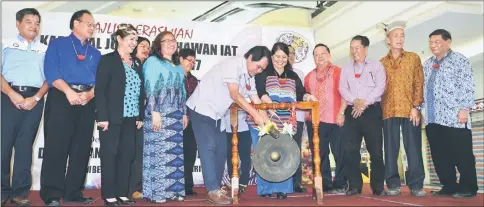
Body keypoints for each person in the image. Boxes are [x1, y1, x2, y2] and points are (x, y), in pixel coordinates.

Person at [186, 46, 271, 204]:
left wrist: (266, 119)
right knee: (209, 148)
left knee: (221, 150)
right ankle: (212, 191)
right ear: (250, 57)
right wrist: (255, 114)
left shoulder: (249, 75)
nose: (259, 70)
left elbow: (255, 99)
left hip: (218, 114)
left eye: (263, 69)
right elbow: (234, 94)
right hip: (202, 109)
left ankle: (216, 188)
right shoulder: (233, 64)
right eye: (258, 66)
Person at [40, 10, 101, 206]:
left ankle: (73, 192)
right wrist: (68, 92)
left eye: (94, 25)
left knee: (81, 148)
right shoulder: (58, 44)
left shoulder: (95, 52)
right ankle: (51, 194)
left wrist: (91, 94)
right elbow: (51, 71)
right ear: (76, 23)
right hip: (61, 96)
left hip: (87, 100)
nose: (92, 28)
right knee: (56, 146)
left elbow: (101, 80)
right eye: (88, 24)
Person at [251, 42, 315, 199]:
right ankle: (265, 189)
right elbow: (261, 92)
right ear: (272, 57)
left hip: (286, 121)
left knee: (284, 154)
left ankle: (283, 189)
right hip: (265, 119)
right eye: (277, 56)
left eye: (284, 57)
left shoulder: (293, 75)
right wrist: (270, 108)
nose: (280, 60)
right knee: (265, 154)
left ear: (289, 58)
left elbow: (301, 93)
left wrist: (309, 97)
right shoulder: (263, 72)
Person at [1, 8, 48, 206]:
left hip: (34, 100)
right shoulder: (5, 45)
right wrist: (12, 94)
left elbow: (50, 79)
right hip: (8, 96)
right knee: (3, 146)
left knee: (24, 147)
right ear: (18, 24)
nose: (33, 26)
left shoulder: (45, 49)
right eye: (29, 22)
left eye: (37, 22)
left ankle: (20, 193)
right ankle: (2, 192)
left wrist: (35, 98)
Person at [423, 29, 478, 198]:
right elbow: (422, 89)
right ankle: (448, 185)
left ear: (448, 42)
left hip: (454, 116)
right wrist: (418, 109)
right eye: (431, 42)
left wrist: (464, 108)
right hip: (432, 117)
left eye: (437, 42)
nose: (433, 45)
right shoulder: (427, 64)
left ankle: (468, 187)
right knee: (440, 155)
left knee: (461, 153)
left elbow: (468, 85)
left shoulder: (459, 60)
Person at [95, 23, 145, 206]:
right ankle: (109, 194)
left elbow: (141, 92)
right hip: (112, 117)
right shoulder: (108, 60)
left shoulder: (136, 62)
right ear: (119, 39)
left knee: (127, 154)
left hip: (131, 118)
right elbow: (100, 90)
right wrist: (102, 116)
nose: (134, 42)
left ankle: (123, 193)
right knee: (110, 154)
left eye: (136, 39)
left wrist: (140, 115)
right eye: (131, 38)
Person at [378, 21, 426, 197]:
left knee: (413, 148)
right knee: (390, 149)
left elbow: (418, 83)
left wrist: (416, 107)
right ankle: (393, 184)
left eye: (402, 35)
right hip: (388, 111)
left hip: (409, 111)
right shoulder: (381, 63)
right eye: (395, 36)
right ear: (388, 40)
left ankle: (416, 185)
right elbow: (378, 89)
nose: (400, 39)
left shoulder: (413, 58)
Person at [142, 31, 187, 204]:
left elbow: (182, 91)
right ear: (158, 45)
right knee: (160, 154)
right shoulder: (153, 62)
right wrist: (154, 112)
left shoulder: (177, 65)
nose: (171, 43)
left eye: (173, 40)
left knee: (175, 154)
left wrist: (184, 113)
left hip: (175, 114)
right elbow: (150, 87)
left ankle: (174, 191)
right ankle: (158, 193)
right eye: (166, 41)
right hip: (159, 112)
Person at [339, 35, 387, 196]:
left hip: (372, 111)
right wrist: (355, 101)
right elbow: (343, 89)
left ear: (365, 49)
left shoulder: (376, 65)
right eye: (351, 48)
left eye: (357, 47)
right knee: (350, 150)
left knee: (376, 151)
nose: (354, 51)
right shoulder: (346, 68)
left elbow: (380, 87)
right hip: (352, 112)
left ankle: (378, 187)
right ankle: (354, 186)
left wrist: (364, 103)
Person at [304, 43, 347, 194]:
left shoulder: (339, 72)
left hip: (335, 118)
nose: (320, 56)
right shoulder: (308, 77)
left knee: (340, 152)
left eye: (323, 53)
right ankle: (326, 184)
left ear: (329, 55)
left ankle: (341, 183)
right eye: (316, 54)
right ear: (314, 58)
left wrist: (341, 113)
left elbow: (345, 95)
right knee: (320, 154)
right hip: (315, 121)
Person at [129, 36, 150, 200]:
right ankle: (129, 187)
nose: (145, 49)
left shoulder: (147, 67)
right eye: (142, 45)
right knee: (131, 152)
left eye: (148, 47)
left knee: (139, 153)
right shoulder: (130, 65)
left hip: (144, 116)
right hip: (131, 114)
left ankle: (136, 186)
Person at [287, 45, 307, 193]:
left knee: (296, 149)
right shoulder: (275, 73)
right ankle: (283, 183)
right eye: (288, 53)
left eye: (293, 53)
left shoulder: (299, 73)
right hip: (280, 119)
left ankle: (296, 182)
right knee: (282, 149)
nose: (291, 56)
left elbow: (302, 94)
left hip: (297, 117)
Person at [179, 48, 199, 196]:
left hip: (191, 121)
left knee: (190, 153)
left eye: (193, 61)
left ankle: (187, 185)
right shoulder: (173, 76)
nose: (191, 63)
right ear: (180, 59)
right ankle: (175, 186)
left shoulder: (194, 80)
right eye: (189, 60)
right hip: (174, 119)